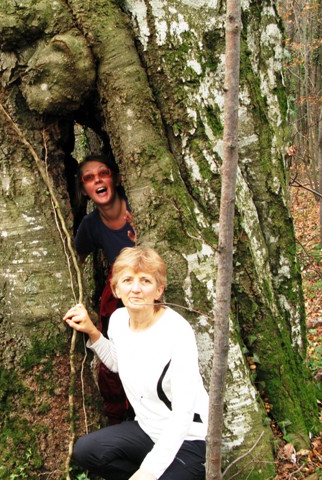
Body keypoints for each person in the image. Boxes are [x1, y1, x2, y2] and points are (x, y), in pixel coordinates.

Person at [63, 247, 208, 480]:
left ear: (159, 290)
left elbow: (183, 413)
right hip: (147, 430)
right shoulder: (119, 320)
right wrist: (92, 332)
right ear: (116, 289)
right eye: (128, 280)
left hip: (188, 439)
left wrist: (148, 471)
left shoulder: (177, 331)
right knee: (87, 451)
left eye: (145, 281)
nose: (136, 289)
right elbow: (118, 363)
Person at [74, 154, 136, 424]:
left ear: (116, 179)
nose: (97, 180)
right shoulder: (91, 225)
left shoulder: (137, 206)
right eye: (89, 178)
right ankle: (123, 414)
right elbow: (75, 259)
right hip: (123, 300)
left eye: (103, 174)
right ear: (84, 190)